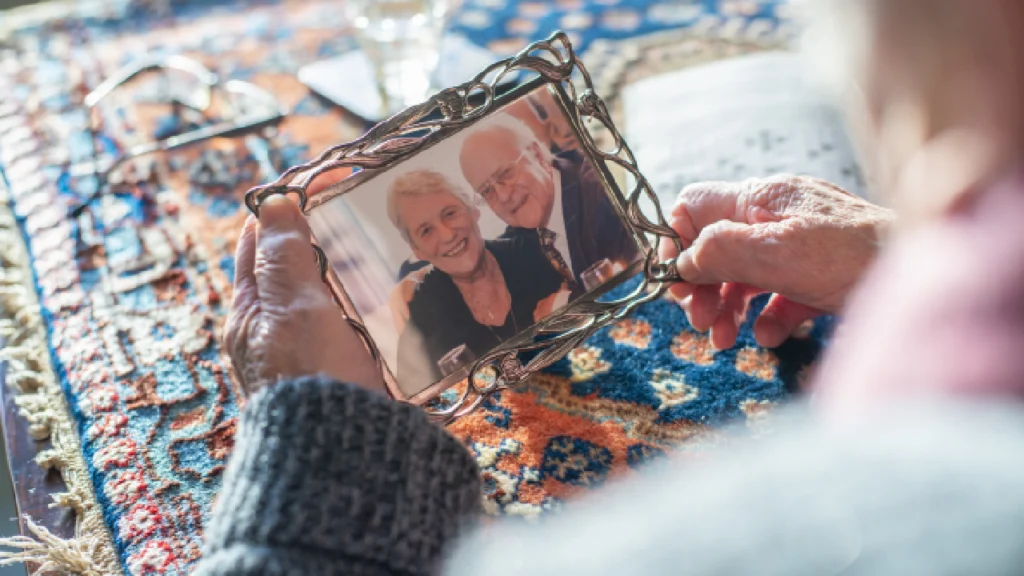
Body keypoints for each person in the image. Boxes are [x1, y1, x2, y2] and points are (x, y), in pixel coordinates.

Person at [198, 0, 1024, 574]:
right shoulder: (423, 304)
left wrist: (314, 440)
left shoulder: (680, 546)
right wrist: (897, 247)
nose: (462, 227)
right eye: (437, 225)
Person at [386, 169, 565, 391]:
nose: (447, 234)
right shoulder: (422, 321)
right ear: (416, 249)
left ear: (472, 210)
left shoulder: (536, 252)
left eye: (450, 213)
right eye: (426, 230)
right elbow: (425, 405)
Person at [459, 115, 639, 294]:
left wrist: (565, 306)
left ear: (536, 154)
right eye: (486, 191)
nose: (504, 196)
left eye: (506, 173)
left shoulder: (601, 192)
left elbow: (635, 286)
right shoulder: (517, 243)